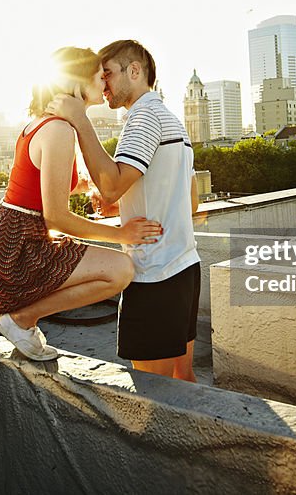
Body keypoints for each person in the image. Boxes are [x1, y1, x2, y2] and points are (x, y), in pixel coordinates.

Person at [0, 47, 163, 361]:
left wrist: (87, 187)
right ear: (76, 82)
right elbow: (56, 219)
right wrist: (122, 235)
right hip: (19, 249)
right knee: (121, 270)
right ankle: (22, 320)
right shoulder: (59, 130)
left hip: (11, 239)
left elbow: (39, 186)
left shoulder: (43, 124)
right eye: (99, 76)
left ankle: (22, 321)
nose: (105, 83)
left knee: (117, 269)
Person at [49, 40, 201, 382]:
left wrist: (79, 119)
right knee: (184, 380)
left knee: (154, 392)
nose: (103, 86)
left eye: (108, 74)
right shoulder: (171, 119)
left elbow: (112, 184)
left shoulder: (143, 118)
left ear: (135, 71)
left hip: (155, 273)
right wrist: (125, 202)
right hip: (186, 266)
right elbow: (189, 201)